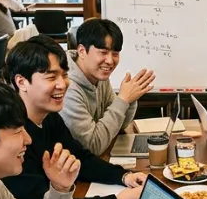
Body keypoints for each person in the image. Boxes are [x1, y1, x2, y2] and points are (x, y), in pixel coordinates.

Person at [2, 36, 148, 199]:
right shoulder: (11, 135)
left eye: (64, 75)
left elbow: (81, 158)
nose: (63, 84)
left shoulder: (49, 117)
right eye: (51, 77)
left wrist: (123, 176)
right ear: (21, 82)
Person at [60, 18, 155, 156]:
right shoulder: (67, 87)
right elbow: (93, 146)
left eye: (115, 53)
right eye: (103, 52)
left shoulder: (98, 75)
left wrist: (130, 98)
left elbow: (117, 125)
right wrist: (123, 99)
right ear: (81, 51)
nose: (110, 61)